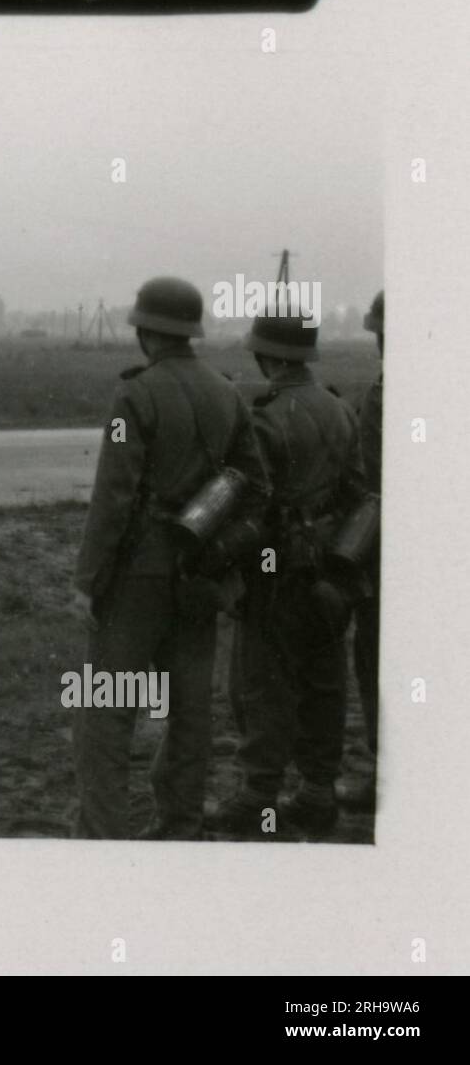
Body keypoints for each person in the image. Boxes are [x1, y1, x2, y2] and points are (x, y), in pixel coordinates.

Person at [71, 277, 267, 840]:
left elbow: (113, 496)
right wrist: (215, 538)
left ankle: (102, 835)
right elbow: (256, 484)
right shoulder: (226, 392)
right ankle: (181, 825)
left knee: (106, 710)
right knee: (189, 710)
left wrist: (87, 580)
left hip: (138, 574)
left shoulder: (135, 394)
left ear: (147, 332)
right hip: (201, 571)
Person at [210, 313, 367, 838]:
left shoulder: (266, 419)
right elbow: (361, 496)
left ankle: (258, 796)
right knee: (324, 681)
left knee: (263, 684)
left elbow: (249, 499)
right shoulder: (344, 409)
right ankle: (318, 793)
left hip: (276, 570)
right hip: (333, 572)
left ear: (270, 357)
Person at [348, 290, 383, 805]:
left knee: (377, 656)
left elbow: (371, 473)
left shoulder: (385, 390)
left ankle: (389, 772)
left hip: (393, 550)